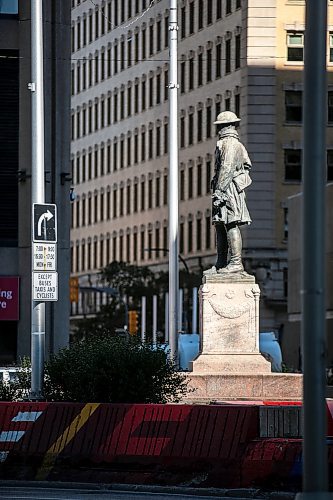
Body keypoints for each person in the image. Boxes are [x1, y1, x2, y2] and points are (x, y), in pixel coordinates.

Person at [204, 111, 252, 275]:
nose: (221, 129)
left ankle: (236, 262)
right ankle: (221, 262)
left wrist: (220, 191)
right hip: (224, 187)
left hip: (228, 188)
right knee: (220, 225)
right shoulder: (227, 143)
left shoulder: (230, 144)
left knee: (231, 223)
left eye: (222, 126)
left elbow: (227, 168)